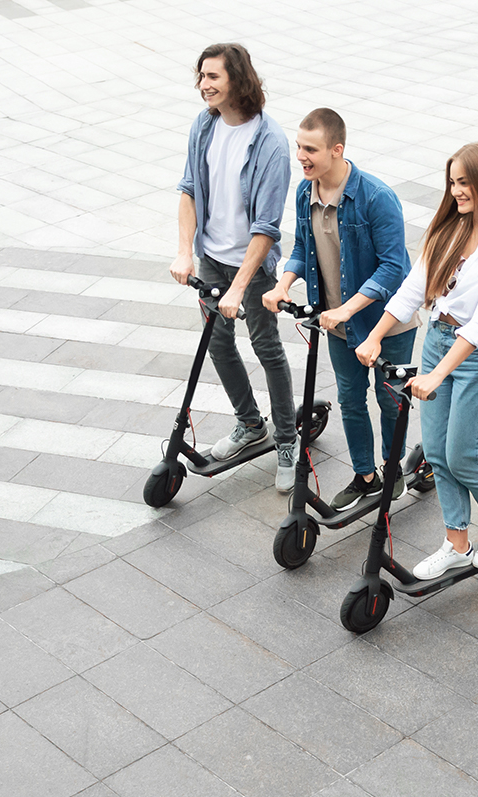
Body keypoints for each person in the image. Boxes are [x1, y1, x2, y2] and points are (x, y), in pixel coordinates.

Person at [358, 143, 478, 579]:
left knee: (463, 455)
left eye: (465, 182)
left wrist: (437, 374)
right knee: (436, 451)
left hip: (477, 358)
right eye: (452, 182)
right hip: (436, 341)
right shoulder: (450, 228)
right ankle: (457, 542)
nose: (456, 191)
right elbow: (413, 289)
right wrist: (376, 336)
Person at [262, 108, 416, 510]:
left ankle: (393, 468)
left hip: (387, 323)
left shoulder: (376, 197)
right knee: (350, 399)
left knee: (389, 400)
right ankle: (365, 476)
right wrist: (282, 284)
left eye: (310, 149)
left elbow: (393, 267)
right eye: (299, 147)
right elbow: (303, 248)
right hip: (337, 322)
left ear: (336, 149)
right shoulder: (305, 192)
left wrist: (348, 308)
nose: (301, 156)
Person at [171, 42, 297, 491]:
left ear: (237, 81)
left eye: (213, 77)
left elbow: (267, 227)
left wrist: (240, 286)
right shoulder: (204, 126)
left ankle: (287, 440)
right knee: (219, 343)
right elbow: (189, 189)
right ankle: (250, 424)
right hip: (211, 259)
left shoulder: (270, 143)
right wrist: (185, 252)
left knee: (267, 348)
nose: (203, 85)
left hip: (253, 267)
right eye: (201, 76)